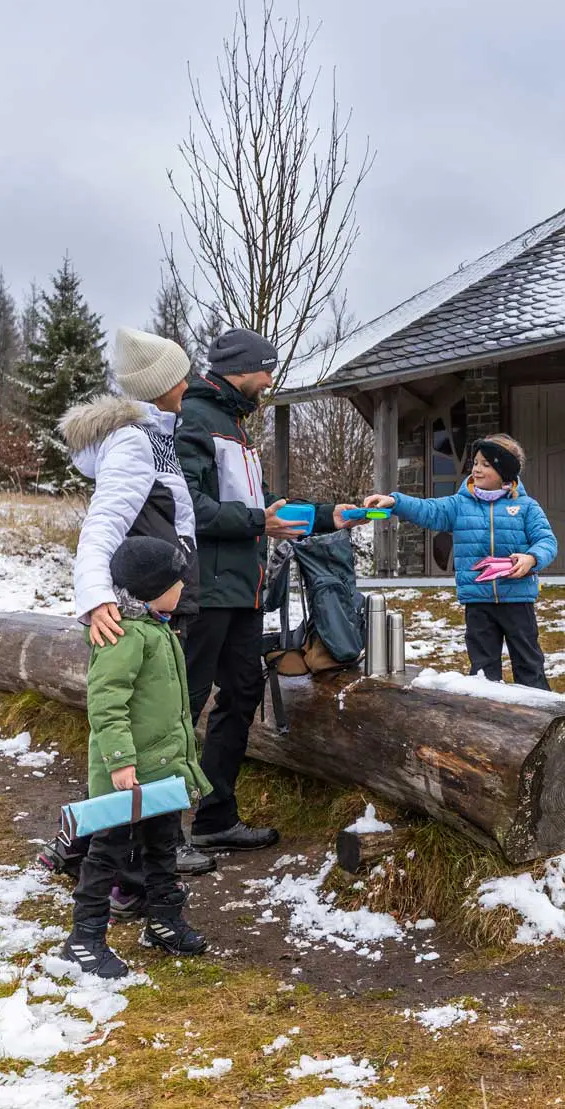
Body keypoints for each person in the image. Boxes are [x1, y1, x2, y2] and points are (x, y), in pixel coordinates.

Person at [39, 326, 216, 888]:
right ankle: (126, 864)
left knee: (153, 724)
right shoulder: (135, 444)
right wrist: (96, 600)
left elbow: (174, 518)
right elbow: (102, 526)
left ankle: (84, 846)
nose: (189, 383)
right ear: (160, 385)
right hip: (139, 609)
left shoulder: (157, 436)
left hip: (162, 601)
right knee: (145, 728)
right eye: (181, 376)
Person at [175, 327, 362, 854]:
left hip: (244, 592)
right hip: (206, 591)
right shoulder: (195, 419)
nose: (270, 380)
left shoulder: (235, 425)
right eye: (267, 369)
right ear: (241, 369)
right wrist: (259, 522)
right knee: (182, 705)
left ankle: (215, 818)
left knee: (242, 694)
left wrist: (327, 515)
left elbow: (265, 502)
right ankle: (157, 836)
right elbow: (189, 507)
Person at [60, 536, 210, 978]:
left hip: (161, 772)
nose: (183, 586)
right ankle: (84, 937)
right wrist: (120, 760)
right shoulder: (123, 636)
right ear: (152, 588)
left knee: (162, 846)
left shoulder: (157, 628)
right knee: (107, 851)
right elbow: (106, 703)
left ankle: (163, 920)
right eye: (177, 582)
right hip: (125, 774)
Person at [362, 434, 559, 689]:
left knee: (529, 664)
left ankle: (540, 708)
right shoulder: (459, 505)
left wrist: (532, 558)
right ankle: (485, 710)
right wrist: (395, 502)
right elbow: (428, 510)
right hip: (477, 602)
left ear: (504, 471)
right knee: (483, 669)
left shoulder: (526, 507)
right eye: (475, 462)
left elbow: (547, 541)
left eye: (486, 464)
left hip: (517, 599)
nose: (477, 469)